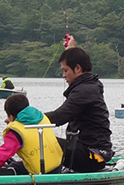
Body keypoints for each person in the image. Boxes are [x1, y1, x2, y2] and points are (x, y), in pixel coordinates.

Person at [44, 35, 114, 173]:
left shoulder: (85, 91)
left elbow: (59, 116)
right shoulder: (90, 84)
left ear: (77, 69)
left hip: (91, 156)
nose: (64, 76)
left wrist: (24, 120)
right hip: (89, 151)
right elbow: (78, 64)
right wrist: (71, 50)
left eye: (65, 71)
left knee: (41, 141)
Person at [0, 94, 63, 175]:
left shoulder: (15, 131)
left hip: (39, 172)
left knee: (12, 167)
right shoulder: (42, 117)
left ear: (11, 116)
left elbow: (2, 155)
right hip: (57, 166)